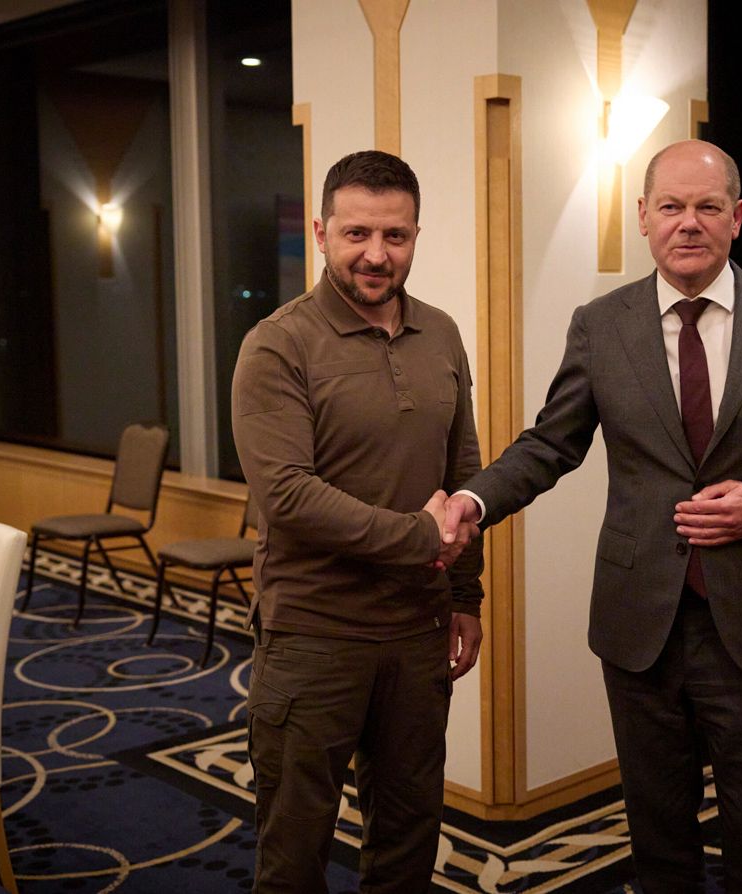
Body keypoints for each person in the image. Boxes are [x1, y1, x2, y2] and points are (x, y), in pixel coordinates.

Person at [443, 139, 742, 892]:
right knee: (659, 846)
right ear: (642, 216)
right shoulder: (602, 324)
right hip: (641, 628)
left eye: (707, 207)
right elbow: (551, 443)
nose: (688, 222)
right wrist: (474, 500)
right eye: (671, 206)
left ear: (737, 217)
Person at [232, 149, 484, 894]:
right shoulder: (277, 343)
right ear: (321, 232)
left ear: (415, 236)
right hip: (313, 637)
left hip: (417, 630)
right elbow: (288, 495)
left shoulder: (441, 333)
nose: (377, 254)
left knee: (408, 839)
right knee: (294, 853)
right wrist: (420, 537)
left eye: (395, 235)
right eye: (357, 234)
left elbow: (462, 471)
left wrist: (465, 595)